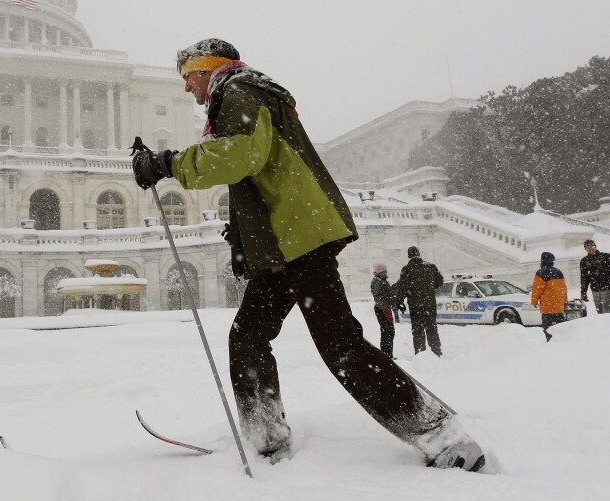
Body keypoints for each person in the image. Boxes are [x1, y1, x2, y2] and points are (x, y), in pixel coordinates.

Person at [131, 38, 484, 471]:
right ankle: (266, 439)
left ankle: (441, 436)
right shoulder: (244, 93)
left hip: (299, 237)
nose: (187, 88)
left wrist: (167, 163)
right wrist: (244, 241)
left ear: (208, 70)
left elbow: (240, 156)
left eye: (188, 77)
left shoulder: (239, 92)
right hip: (284, 241)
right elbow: (262, 176)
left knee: (340, 346)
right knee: (248, 336)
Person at [395, 246, 443, 357]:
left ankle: (421, 353)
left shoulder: (407, 269)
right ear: (418, 254)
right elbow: (439, 281)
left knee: (418, 330)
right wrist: (429, 288)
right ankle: (436, 351)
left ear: (409, 256)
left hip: (415, 305)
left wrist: (400, 301)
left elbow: (403, 287)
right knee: (431, 327)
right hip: (430, 303)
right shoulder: (430, 266)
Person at [532, 251, 568, 340]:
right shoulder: (558, 272)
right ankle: (561, 342)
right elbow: (564, 289)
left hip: (547, 306)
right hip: (559, 306)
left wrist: (534, 301)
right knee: (560, 327)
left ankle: (550, 344)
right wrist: (564, 301)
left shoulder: (540, 272)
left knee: (547, 328)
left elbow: (537, 289)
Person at [370, 262, 402, 357]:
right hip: (382, 310)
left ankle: (388, 354)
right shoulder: (377, 282)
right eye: (385, 271)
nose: (386, 272)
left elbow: (387, 293)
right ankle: (385, 355)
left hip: (385, 309)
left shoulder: (382, 281)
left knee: (390, 332)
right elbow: (380, 297)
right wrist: (387, 311)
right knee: (387, 332)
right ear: (380, 272)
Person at [580, 239, 610, 314]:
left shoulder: (606, 257)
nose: (589, 249)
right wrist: (583, 292)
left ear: (595, 246)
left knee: (607, 310)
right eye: (587, 247)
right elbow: (584, 277)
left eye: (591, 246)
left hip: (607, 287)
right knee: (599, 311)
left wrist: (601, 268)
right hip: (594, 289)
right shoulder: (584, 261)